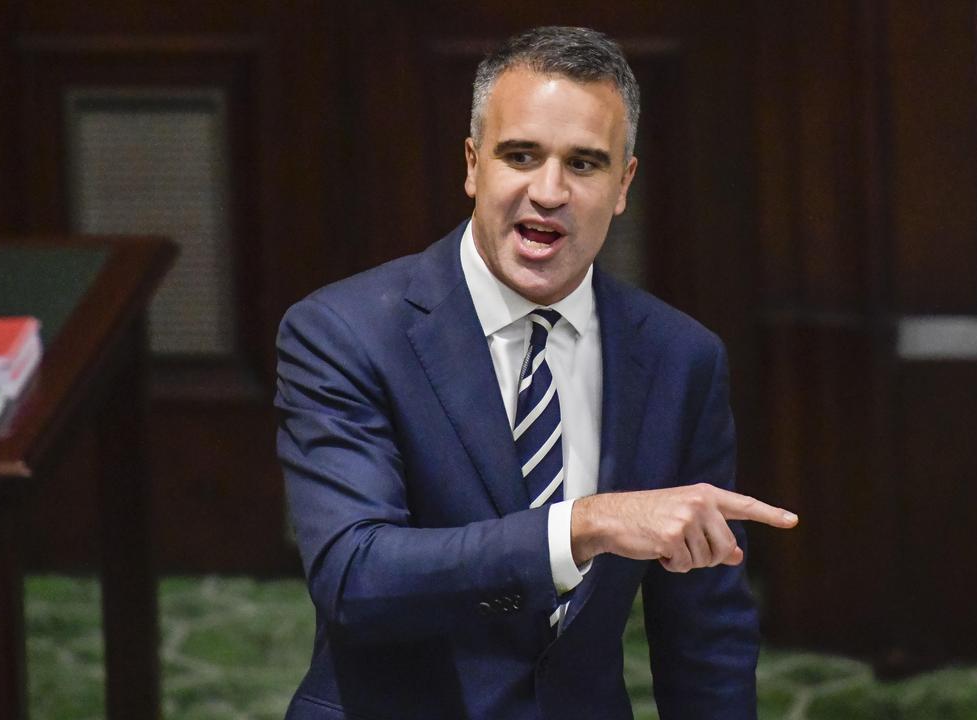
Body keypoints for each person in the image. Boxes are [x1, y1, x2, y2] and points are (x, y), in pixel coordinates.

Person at [275, 26, 798, 720]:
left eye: (584, 164)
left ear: (623, 184)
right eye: (520, 155)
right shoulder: (344, 332)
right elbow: (356, 577)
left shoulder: (681, 359)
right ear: (472, 164)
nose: (547, 192)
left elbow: (704, 633)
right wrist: (582, 526)